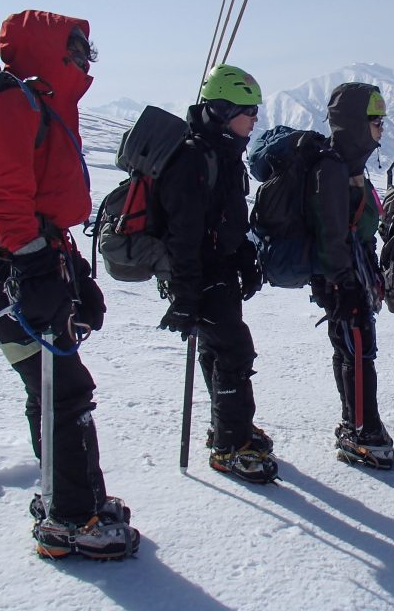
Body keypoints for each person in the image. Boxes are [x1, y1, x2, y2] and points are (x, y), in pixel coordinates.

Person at [0, 10, 139, 559]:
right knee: (60, 386)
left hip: (28, 260)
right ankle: (68, 519)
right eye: (78, 50)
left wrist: (73, 271)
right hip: (1, 270)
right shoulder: (13, 106)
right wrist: (37, 272)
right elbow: (8, 198)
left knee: (54, 385)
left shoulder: (45, 105)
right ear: (49, 51)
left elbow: (44, 205)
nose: (86, 61)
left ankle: (70, 497)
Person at [155, 64, 277, 485]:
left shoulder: (224, 153)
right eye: (248, 110)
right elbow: (183, 234)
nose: (255, 119)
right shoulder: (193, 158)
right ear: (222, 110)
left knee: (220, 350)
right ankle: (230, 443)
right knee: (234, 352)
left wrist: (243, 254)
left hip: (218, 267)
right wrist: (186, 296)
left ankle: (230, 427)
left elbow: (227, 216)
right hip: (199, 272)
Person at [308, 82, 394, 469]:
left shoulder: (352, 165)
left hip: (352, 270)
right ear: (356, 124)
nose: (381, 128)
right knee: (357, 349)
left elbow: (358, 225)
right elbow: (330, 229)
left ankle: (357, 422)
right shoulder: (333, 167)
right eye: (375, 120)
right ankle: (362, 429)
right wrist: (341, 283)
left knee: (355, 349)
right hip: (341, 276)